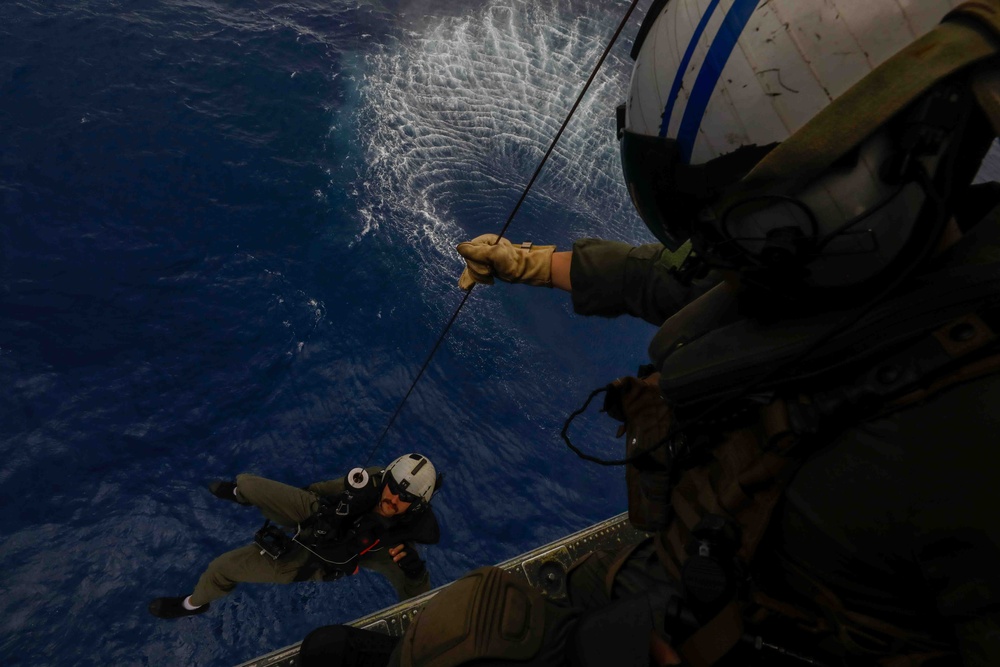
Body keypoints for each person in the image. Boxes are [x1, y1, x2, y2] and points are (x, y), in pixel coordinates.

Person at [306, 1, 1000, 665]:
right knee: (471, 631)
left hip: (758, 621)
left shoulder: (966, 440)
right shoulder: (819, 264)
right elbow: (671, 279)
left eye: (746, 230)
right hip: (697, 564)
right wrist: (526, 262)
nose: (723, 260)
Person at [148, 453, 442, 619]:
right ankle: (242, 495)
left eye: (405, 497)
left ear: (416, 505)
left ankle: (192, 604)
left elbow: (417, 602)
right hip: (318, 515)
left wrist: (415, 574)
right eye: (392, 486)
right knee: (249, 484)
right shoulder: (373, 480)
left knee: (221, 569)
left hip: (313, 559)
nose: (392, 497)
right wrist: (314, 509)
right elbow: (321, 489)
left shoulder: (396, 547)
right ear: (386, 476)